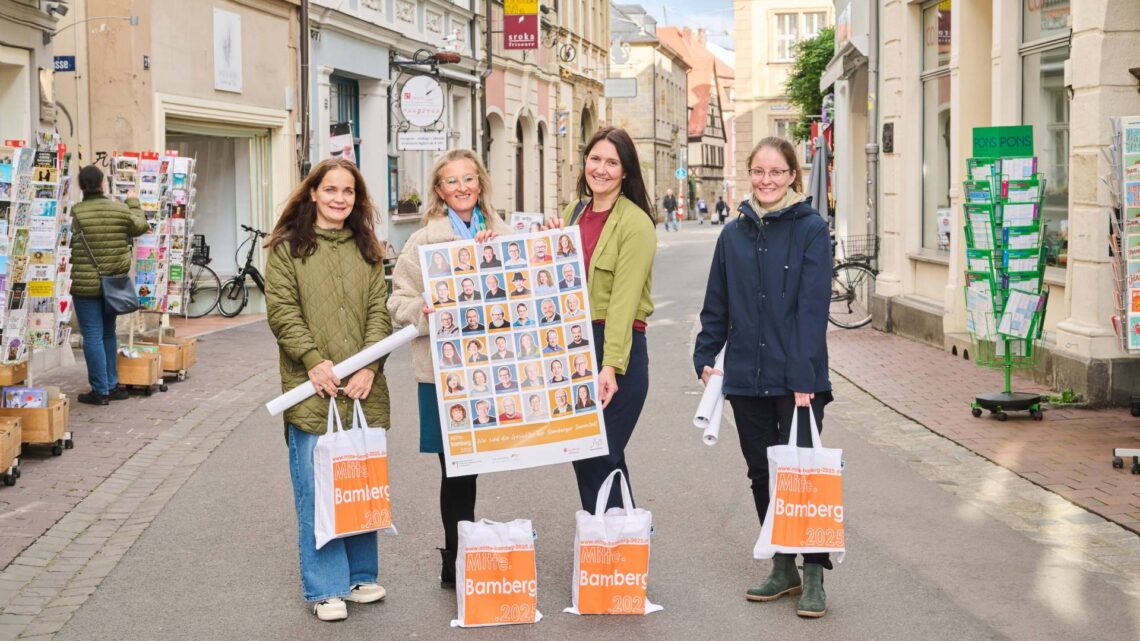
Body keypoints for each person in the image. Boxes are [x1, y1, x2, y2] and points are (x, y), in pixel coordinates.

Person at [693, 136, 834, 619]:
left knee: (805, 478)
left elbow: (812, 310)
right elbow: (718, 303)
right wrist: (705, 355)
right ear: (749, 174)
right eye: (758, 171)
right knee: (761, 474)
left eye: (777, 172)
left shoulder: (812, 229)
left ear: (793, 175)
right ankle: (783, 566)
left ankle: (813, 572)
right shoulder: (732, 234)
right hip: (746, 379)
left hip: (799, 379)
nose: (767, 180)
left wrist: (803, 377)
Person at [265, 157, 391, 621]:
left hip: (361, 386)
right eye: (331, 189)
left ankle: (360, 575)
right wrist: (313, 362)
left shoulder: (368, 248)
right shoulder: (286, 248)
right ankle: (325, 587)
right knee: (316, 487)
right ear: (313, 192)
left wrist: (370, 367)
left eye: (349, 192)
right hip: (311, 387)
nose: (340, 198)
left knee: (358, 479)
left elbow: (380, 310)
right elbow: (282, 310)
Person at [388, 149, 510, 589]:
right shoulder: (423, 242)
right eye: (451, 181)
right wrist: (422, 310)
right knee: (454, 467)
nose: (461, 188)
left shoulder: (503, 233)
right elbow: (396, 301)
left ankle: (466, 550)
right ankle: (456, 556)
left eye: (469, 179)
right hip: (442, 373)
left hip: (492, 371)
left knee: (472, 464)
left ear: (481, 184)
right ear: (439, 191)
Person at [553, 126, 656, 513]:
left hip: (618, 349)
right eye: (595, 159)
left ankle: (613, 551)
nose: (602, 169)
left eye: (612, 162)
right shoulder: (573, 212)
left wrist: (610, 366)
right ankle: (615, 551)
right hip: (577, 346)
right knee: (588, 454)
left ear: (626, 171)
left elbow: (623, 305)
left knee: (601, 453)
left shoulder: (636, 224)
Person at [71, 165, 149, 405]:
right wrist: (133, 202)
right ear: (103, 184)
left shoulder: (75, 212)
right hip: (113, 284)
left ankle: (100, 390)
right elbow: (140, 226)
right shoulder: (119, 209)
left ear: (81, 186)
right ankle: (112, 385)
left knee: (92, 335)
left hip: (85, 285)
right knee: (108, 333)